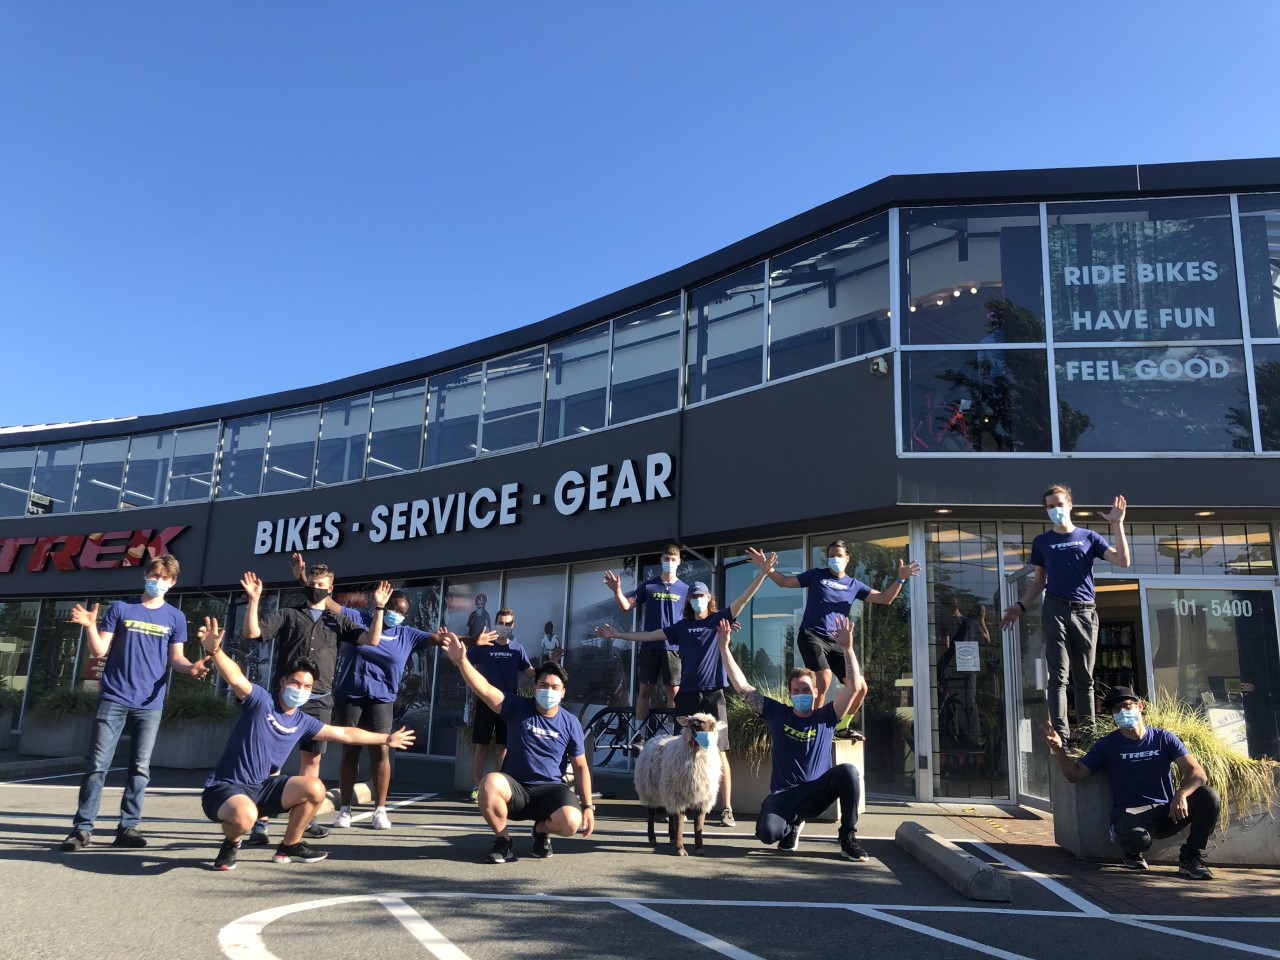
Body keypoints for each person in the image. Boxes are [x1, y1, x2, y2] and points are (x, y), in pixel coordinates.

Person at [195, 617, 415, 870]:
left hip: (263, 787)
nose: (300, 689)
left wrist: (386, 738)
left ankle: (289, 846)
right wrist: (215, 651)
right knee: (246, 817)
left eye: (307, 686)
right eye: (295, 683)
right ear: (282, 683)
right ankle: (231, 843)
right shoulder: (260, 702)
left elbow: (345, 734)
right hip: (226, 788)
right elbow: (236, 678)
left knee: (314, 788)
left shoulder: (302, 720)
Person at [595, 550, 776, 828]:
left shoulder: (719, 621)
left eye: (701, 596)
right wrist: (618, 634)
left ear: (709, 600)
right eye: (693, 597)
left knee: (719, 752)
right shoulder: (681, 627)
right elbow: (650, 636)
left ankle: (726, 808)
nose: (697, 600)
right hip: (688, 696)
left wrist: (762, 573)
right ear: (688, 601)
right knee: (682, 750)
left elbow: (743, 599)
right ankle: (681, 804)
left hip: (714, 694)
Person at [60, 555, 209, 852]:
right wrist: (90, 626)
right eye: (155, 575)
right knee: (97, 766)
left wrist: (191, 667)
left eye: (165, 578)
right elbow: (100, 650)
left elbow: (176, 659)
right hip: (114, 696)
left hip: (150, 703)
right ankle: (82, 828)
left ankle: (129, 826)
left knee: (140, 767)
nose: (159, 582)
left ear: (173, 583)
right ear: (145, 575)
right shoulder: (121, 608)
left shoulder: (175, 617)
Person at [240, 564, 382, 845]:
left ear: (330, 589)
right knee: (271, 761)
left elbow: (371, 640)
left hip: (318, 700)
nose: (315, 588)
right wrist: (254, 600)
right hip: (284, 700)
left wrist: (379, 609)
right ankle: (261, 823)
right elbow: (252, 633)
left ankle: (306, 820)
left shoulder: (336, 620)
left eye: (321, 585)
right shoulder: (289, 614)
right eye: (312, 583)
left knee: (312, 760)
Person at [718, 613, 870, 861]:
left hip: (816, 793)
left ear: (816, 691)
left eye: (806, 689)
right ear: (789, 694)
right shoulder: (778, 714)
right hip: (785, 794)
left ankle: (848, 838)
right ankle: (792, 826)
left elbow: (854, 687)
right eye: (796, 690)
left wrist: (848, 649)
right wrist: (724, 649)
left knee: (849, 772)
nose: (801, 693)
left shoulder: (827, 716)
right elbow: (743, 688)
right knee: (767, 834)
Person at [442, 631, 594, 863]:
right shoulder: (516, 707)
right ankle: (504, 840)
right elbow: (484, 688)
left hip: (551, 789)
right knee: (488, 783)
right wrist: (462, 661)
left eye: (555, 687)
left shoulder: (570, 722)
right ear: (534, 688)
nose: (548, 690)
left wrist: (588, 806)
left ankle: (541, 831)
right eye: (543, 685)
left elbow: (581, 767)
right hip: (516, 788)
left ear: (563, 692)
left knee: (571, 823)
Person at [1045, 686, 1219, 879]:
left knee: (1209, 795)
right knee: (1138, 840)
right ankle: (1131, 850)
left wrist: (1181, 794)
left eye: (1126, 706)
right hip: (1131, 814)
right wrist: (1059, 749)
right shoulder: (1107, 745)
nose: (1122, 712)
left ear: (1140, 706)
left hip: (1167, 811)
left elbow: (1197, 773)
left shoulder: (1164, 738)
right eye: (1116, 710)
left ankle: (1191, 857)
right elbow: (1074, 775)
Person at [1001, 486, 1130, 741]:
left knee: (1084, 677)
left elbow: (1122, 561)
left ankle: (1087, 736)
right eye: (1049, 506)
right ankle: (1060, 735)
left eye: (1059, 503)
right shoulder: (1042, 542)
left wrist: (1117, 525)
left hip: (1085, 612)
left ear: (1070, 504)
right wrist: (1019, 606)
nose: (1055, 510)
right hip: (1055, 609)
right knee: (1058, 676)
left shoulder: (1089, 537)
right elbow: (1039, 582)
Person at [330, 587, 445, 830]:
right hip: (350, 694)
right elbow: (328, 604)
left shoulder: (407, 634)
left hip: (382, 699)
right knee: (351, 751)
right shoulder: (359, 619)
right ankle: (345, 809)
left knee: (381, 751)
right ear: (382, 604)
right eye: (393, 609)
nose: (397, 615)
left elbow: (438, 639)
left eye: (402, 612)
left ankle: (379, 810)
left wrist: (473, 640)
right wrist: (304, 582)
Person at [758, 541, 920, 708]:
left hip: (836, 641)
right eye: (831, 556)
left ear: (847, 558)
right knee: (824, 679)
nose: (835, 559)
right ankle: (815, 725)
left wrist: (900, 578)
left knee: (860, 687)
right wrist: (767, 568)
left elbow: (885, 598)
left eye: (839, 555)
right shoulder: (816, 575)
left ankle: (842, 726)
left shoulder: (854, 585)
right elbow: (784, 581)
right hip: (812, 635)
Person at [603, 544, 687, 749]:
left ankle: (672, 736)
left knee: (673, 693)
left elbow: (703, 612)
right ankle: (638, 735)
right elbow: (625, 606)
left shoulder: (685, 589)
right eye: (666, 558)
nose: (669, 562)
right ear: (661, 560)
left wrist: (724, 621)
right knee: (645, 690)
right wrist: (617, 590)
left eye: (673, 559)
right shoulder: (649, 587)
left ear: (679, 562)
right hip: (649, 647)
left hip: (673, 648)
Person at [467, 607, 535, 801]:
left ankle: (502, 788)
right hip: (485, 701)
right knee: (481, 746)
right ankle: (476, 787)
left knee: (503, 747)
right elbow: (465, 663)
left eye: (507, 624)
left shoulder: (517, 648)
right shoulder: (483, 646)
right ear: (495, 623)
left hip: (508, 704)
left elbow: (530, 672)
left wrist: (549, 664)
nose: (503, 626)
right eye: (500, 623)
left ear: (512, 626)